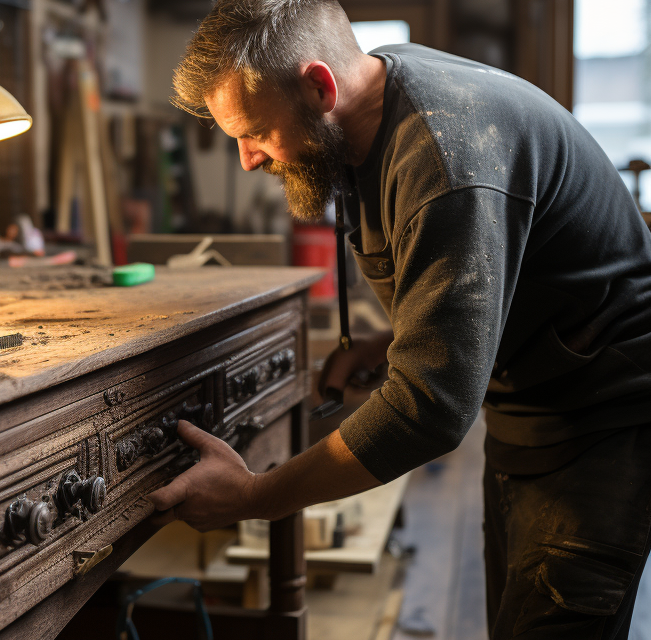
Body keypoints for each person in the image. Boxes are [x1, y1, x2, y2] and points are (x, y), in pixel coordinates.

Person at [144, 1, 651, 637]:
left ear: (319, 86)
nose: (248, 159)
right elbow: (488, 278)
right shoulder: (374, 101)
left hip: (605, 421)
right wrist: (395, 342)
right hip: (530, 408)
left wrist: (256, 496)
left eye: (254, 132)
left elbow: (430, 411)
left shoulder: (444, 156)